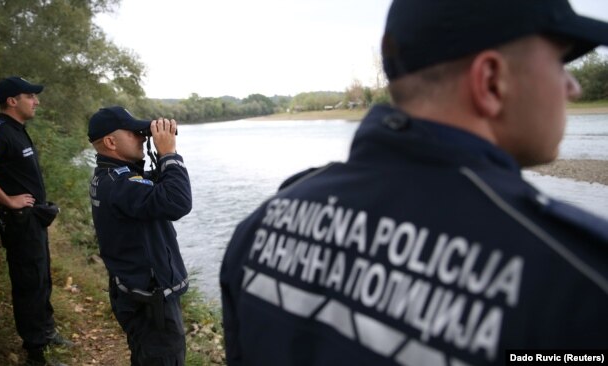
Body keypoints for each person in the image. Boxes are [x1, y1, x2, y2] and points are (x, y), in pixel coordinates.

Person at [220, 1, 608, 365]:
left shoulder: (260, 227)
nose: (572, 87)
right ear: (491, 82)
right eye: (560, 62)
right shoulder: (580, 282)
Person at [0, 76, 72, 366]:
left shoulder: (17, 130)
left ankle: (46, 333)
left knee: (40, 279)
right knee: (28, 285)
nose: (36, 101)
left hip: (33, 221)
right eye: (30, 96)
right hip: (20, 223)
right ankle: (36, 354)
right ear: (12, 101)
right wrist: (9, 200)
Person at [88, 106, 192, 365]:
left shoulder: (110, 177)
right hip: (150, 303)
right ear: (111, 142)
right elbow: (178, 202)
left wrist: (158, 155)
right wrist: (169, 154)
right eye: (135, 133)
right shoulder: (122, 185)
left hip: (134, 292)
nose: (143, 137)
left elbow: (151, 188)